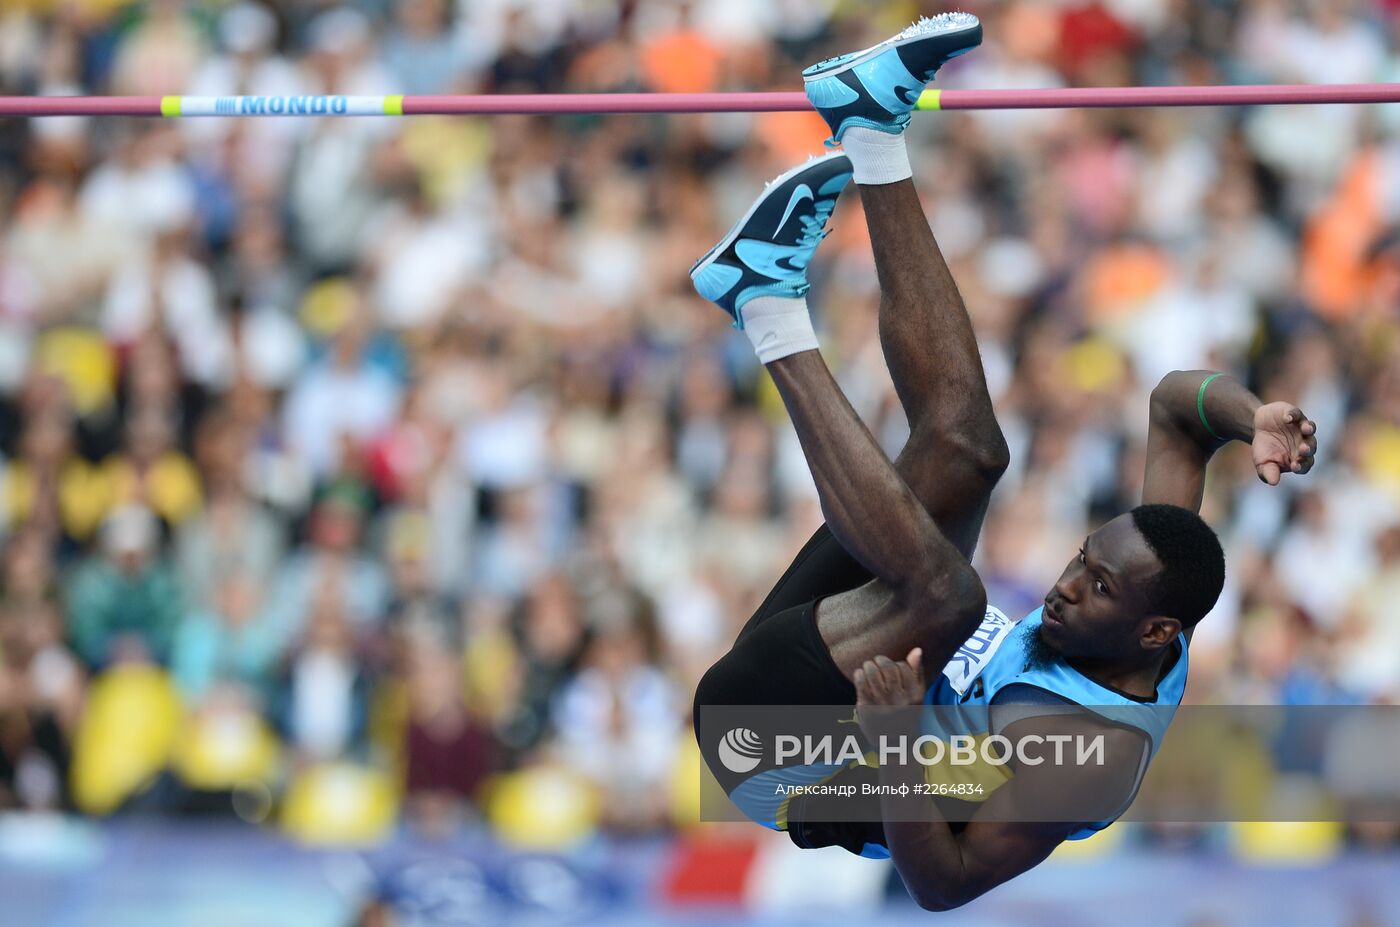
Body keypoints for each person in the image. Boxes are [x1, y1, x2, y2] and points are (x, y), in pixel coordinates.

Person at [691, 14, 1319, 910]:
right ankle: (869, 128)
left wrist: (901, 738)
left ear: (1153, 634)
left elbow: (945, 883)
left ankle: (768, 312)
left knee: (954, 594)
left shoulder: (1089, 758)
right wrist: (1253, 413)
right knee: (969, 451)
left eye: (1097, 587)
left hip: (777, 748)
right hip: (865, 660)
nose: (1065, 586)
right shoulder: (1158, 588)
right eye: (1081, 562)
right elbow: (1179, 407)